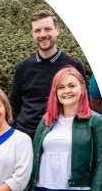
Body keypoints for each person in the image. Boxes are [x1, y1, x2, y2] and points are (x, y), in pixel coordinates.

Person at [9, 9, 87, 139]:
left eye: (47, 29)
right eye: (37, 31)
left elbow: (84, 103)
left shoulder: (74, 65)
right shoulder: (23, 67)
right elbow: (13, 106)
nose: (43, 34)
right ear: (32, 34)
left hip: (61, 135)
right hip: (26, 137)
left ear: (57, 30)